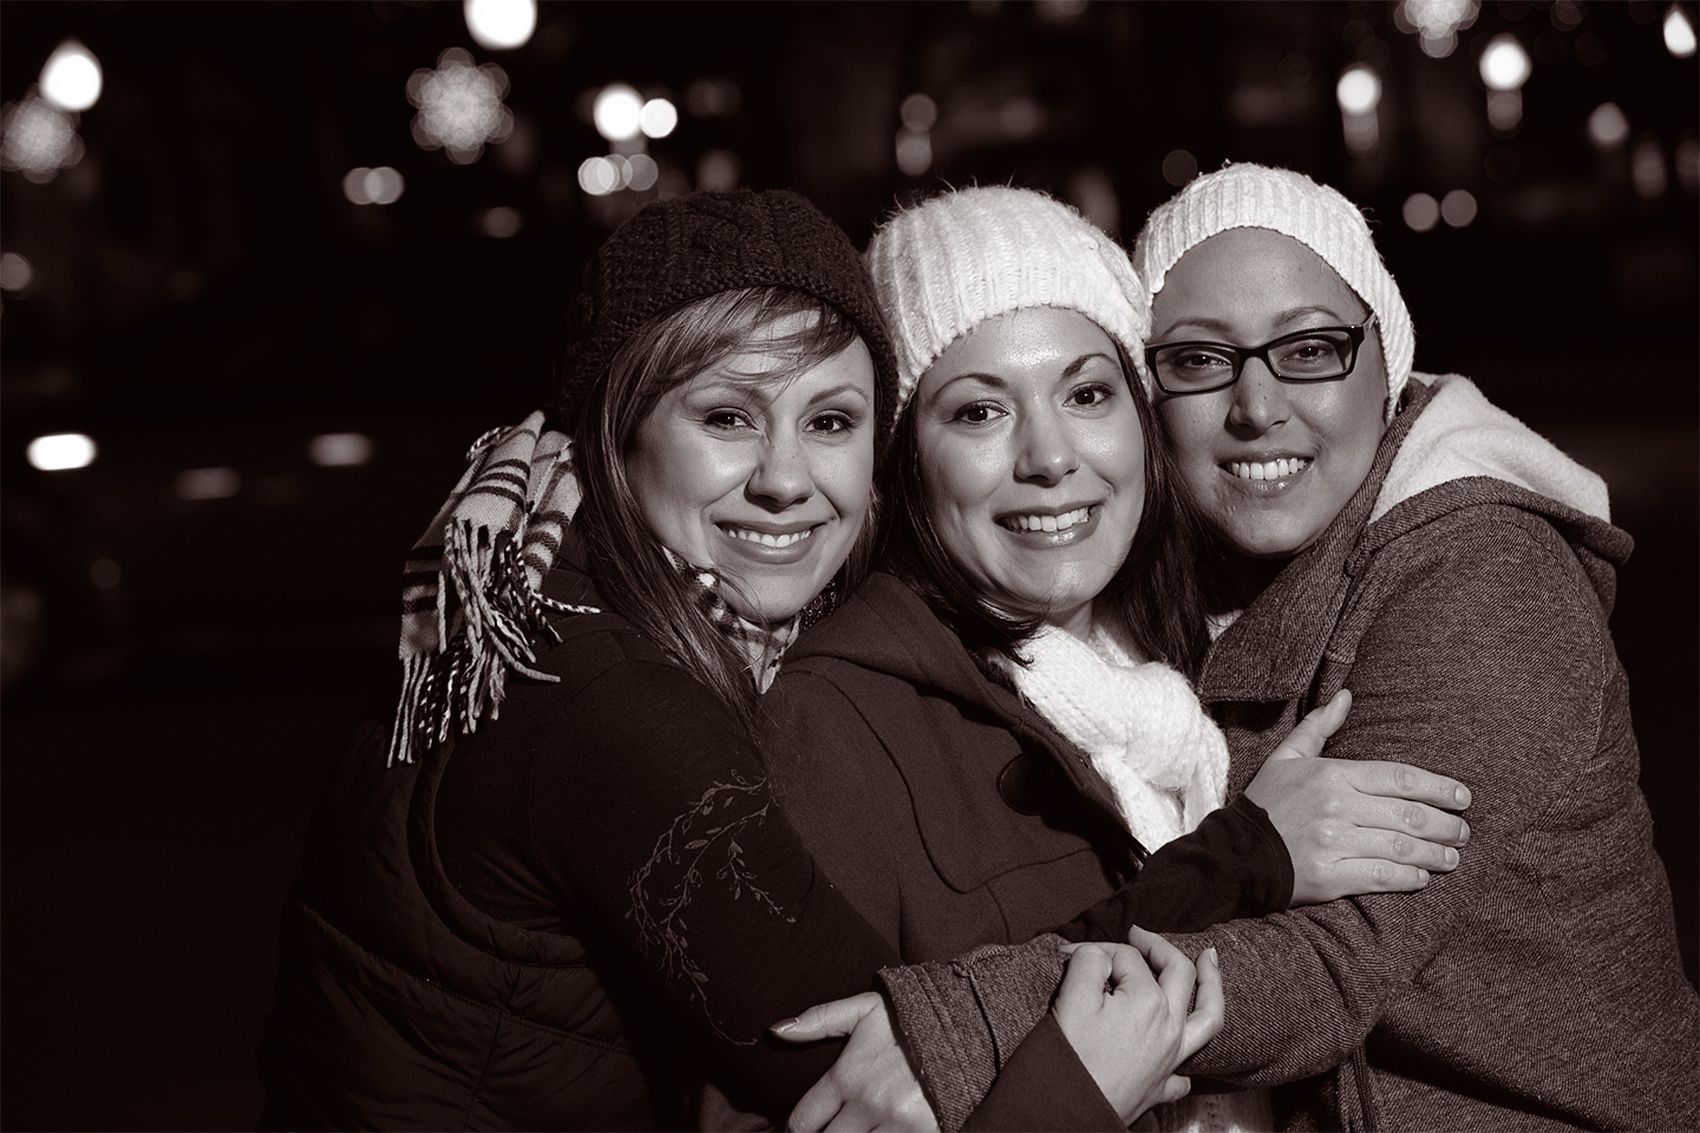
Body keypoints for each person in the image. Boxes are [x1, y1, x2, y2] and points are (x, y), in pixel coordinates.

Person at [257, 187, 1230, 1131]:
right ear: (617, 428)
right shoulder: (604, 698)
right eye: (726, 416)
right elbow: (877, 1071)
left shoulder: (549, 585)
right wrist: (1248, 857)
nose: (783, 479)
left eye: (829, 420)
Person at [829, 164, 1700, 1130]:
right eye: (1200, 360)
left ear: (1389, 358)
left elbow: (1334, 954)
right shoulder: (1135, 592)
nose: (1258, 406)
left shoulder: (1480, 570)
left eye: (1311, 348)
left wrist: (973, 1020)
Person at [762, 185, 1472, 1132]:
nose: (1051, 457)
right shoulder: (836, 720)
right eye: (979, 412)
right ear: (903, 459)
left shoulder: (1184, 658)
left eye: (1089, 393)